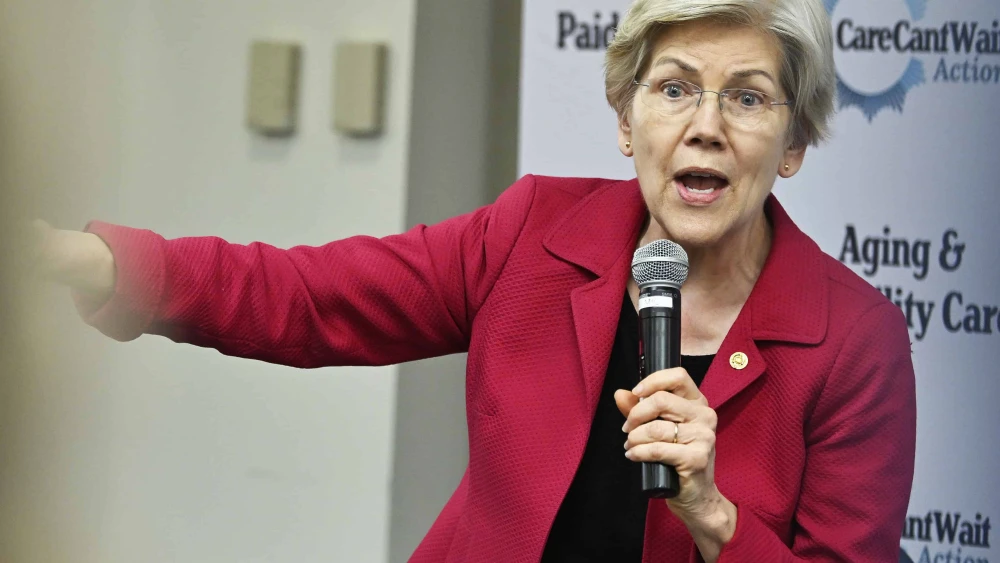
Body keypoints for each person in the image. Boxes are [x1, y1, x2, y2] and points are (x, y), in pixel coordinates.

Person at [32, 0, 917, 561]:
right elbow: (309, 296)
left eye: (750, 98)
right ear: (625, 120)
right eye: (675, 89)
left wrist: (714, 516)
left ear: (795, 145)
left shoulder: (852, 341)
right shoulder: (533, 233)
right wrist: (98, 263)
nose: (706, 127)